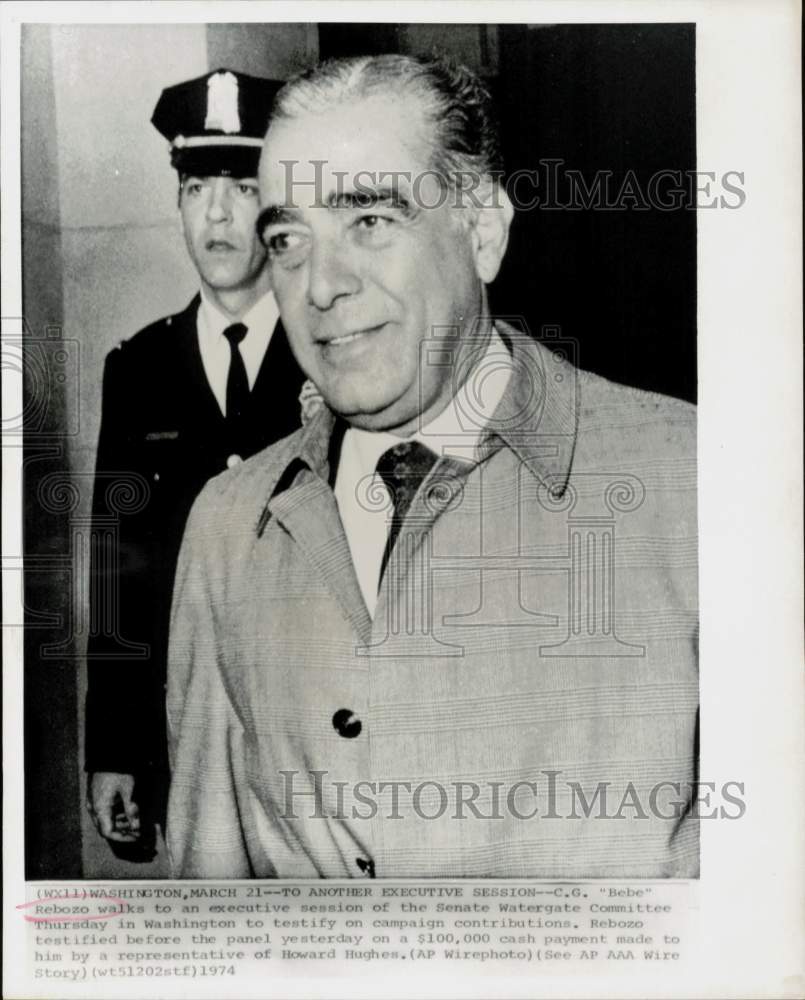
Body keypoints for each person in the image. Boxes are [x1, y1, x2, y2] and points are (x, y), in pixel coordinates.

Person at [166, 54, 699, 879]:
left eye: (369, 220)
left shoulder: (694, 482)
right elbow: (207, 887)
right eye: (286, 239)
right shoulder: (229, 523)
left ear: (481, 230)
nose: (320, 285)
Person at [85, 68, 306, 858]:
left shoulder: (331, 351)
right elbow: (120, 569)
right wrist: (114, 748)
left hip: (314, 726)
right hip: (190, 727)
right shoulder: (139, 367)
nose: (214, 213)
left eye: (240, 187)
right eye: (193, 187)